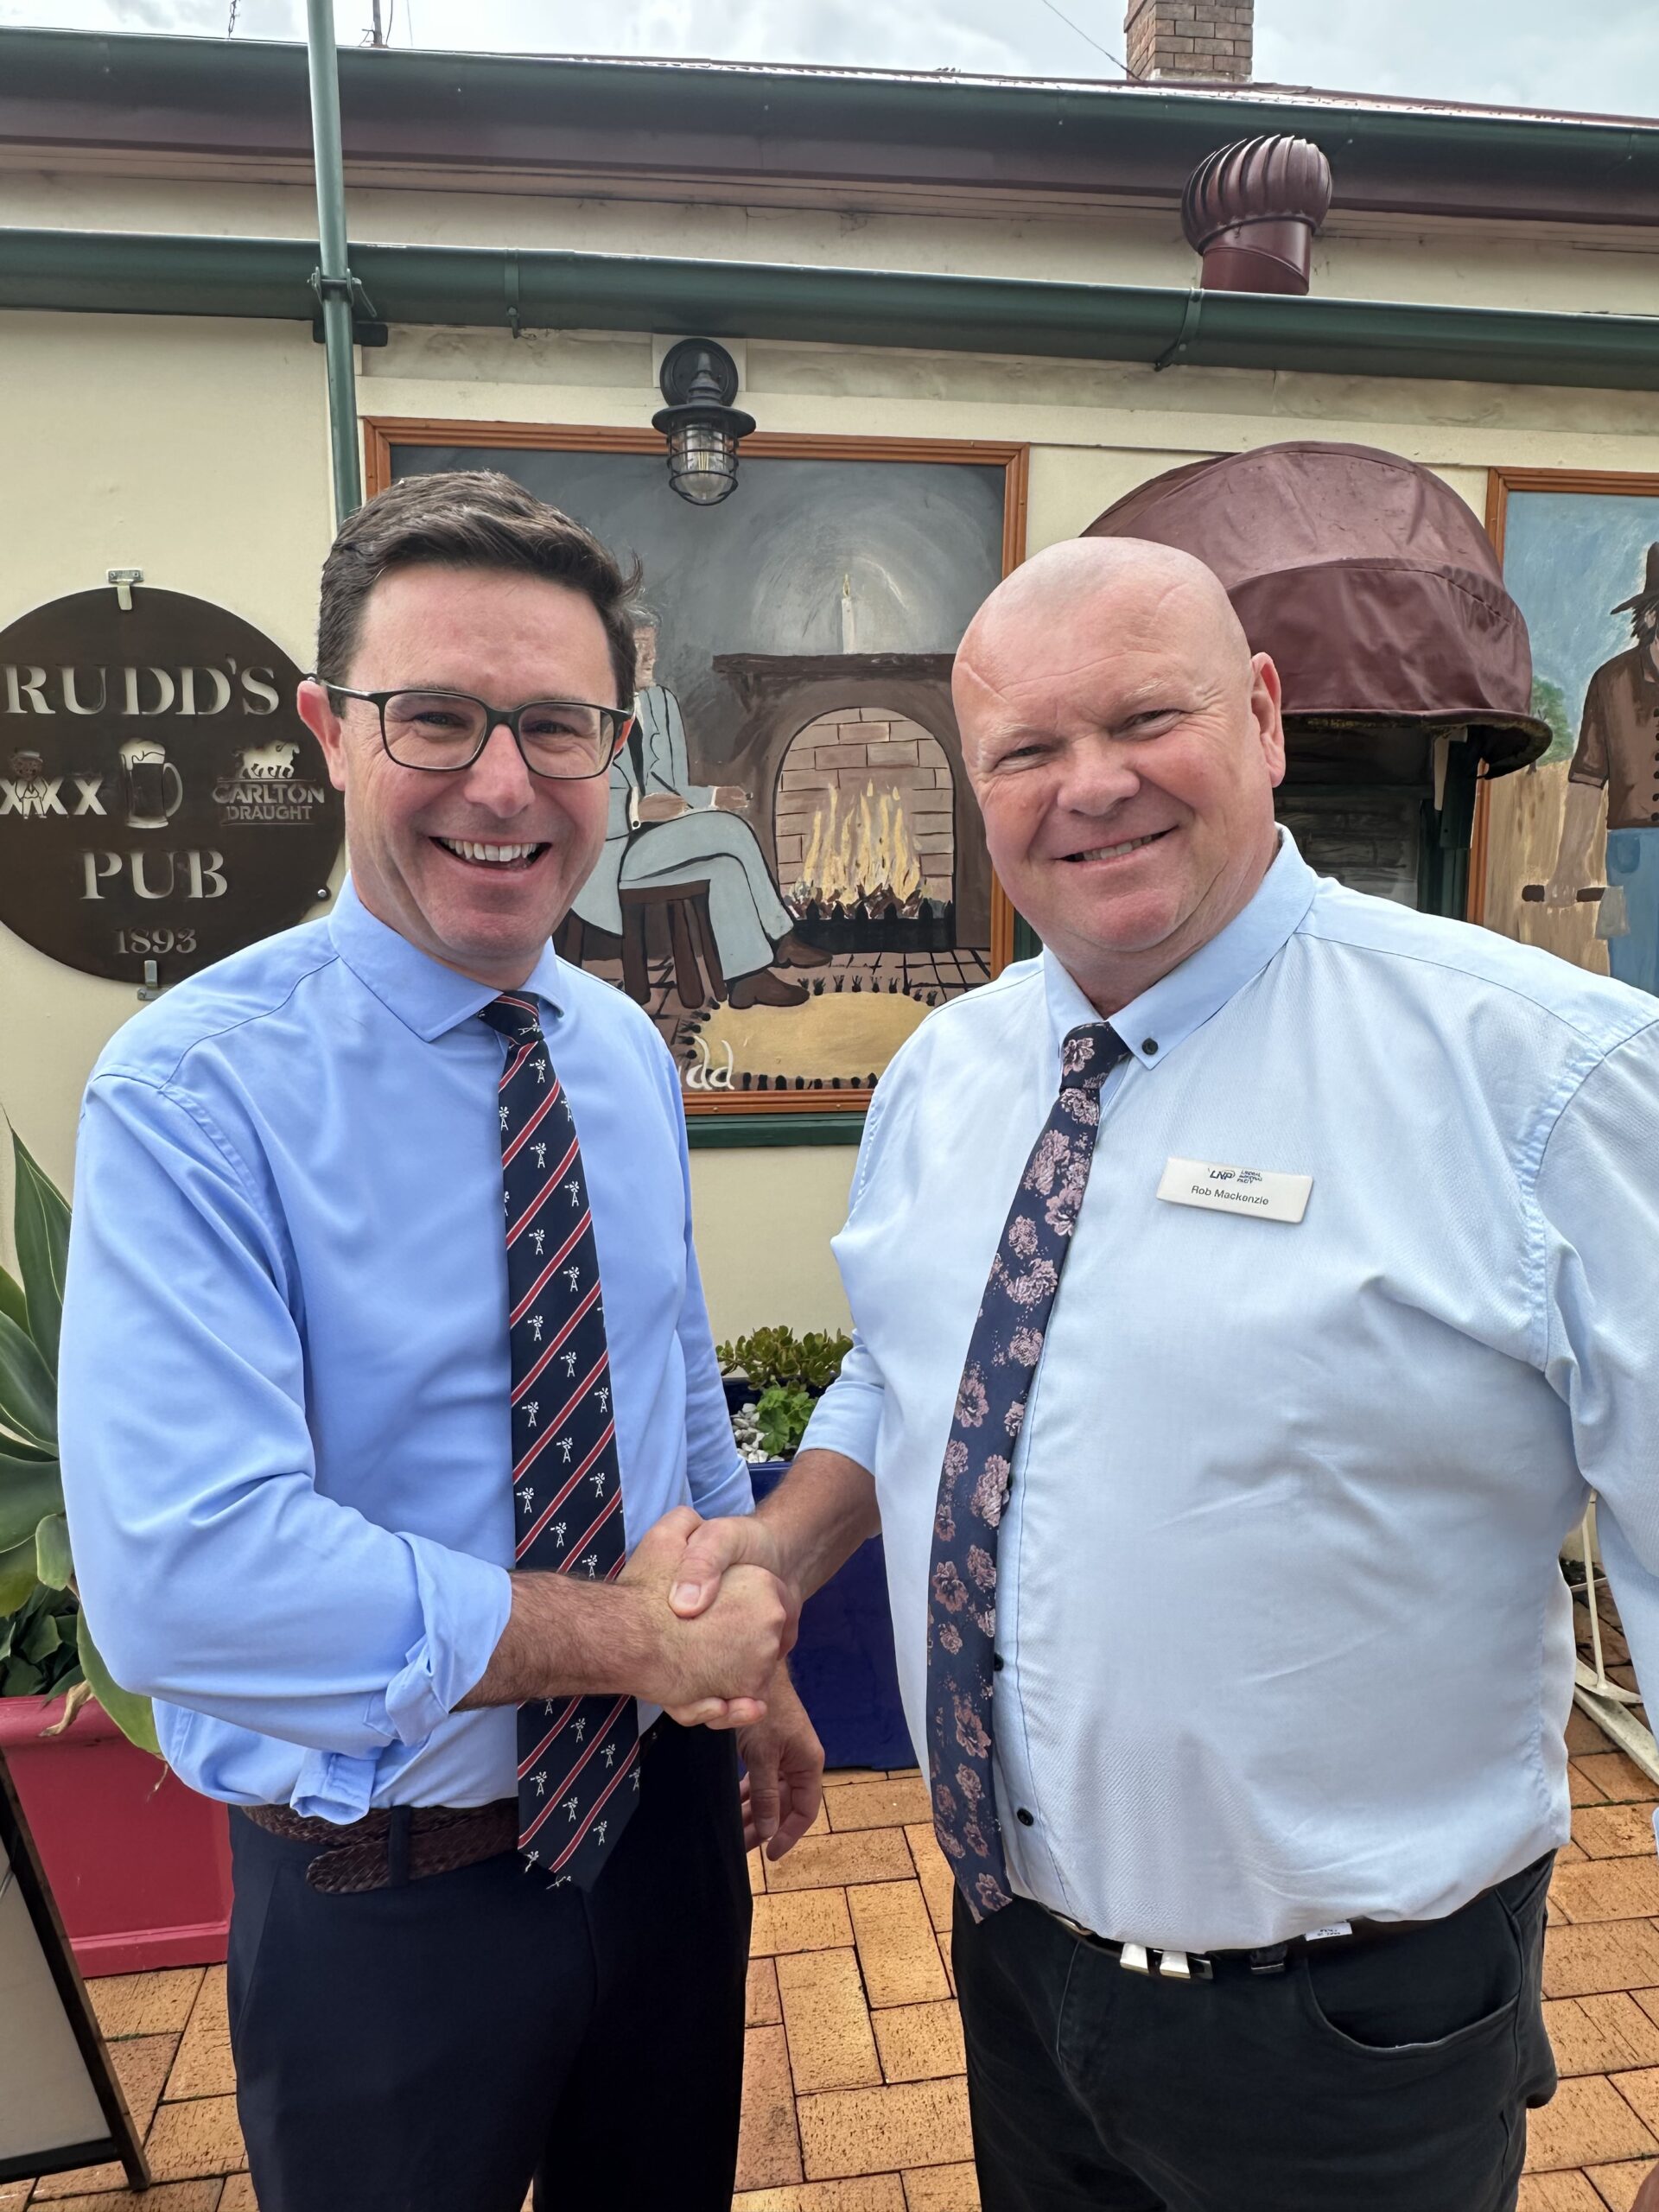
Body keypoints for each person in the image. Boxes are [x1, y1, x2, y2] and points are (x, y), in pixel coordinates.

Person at [667, 537, 1659, 2211]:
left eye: (1147, 716)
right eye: (1028, 750)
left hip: (1352, 2026)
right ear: (979, 790)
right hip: (1016, 1960)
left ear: (1263, 715)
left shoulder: (1545, 1076)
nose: (1093, 785)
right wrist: (780, 1547)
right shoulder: (954, 1068)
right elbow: (910, 1378)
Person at [56, 471, 823, 2212]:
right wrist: (631, 1637)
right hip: (380, 1902)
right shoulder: (194, 1094)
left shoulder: (620, 1049)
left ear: (616, 759)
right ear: (330, 731)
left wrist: (738, 1651)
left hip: (659, 1841)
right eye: (439, 716)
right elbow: (188, 1575)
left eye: (558, 725)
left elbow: (664, 1370)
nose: (502, 780)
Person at [570, 612, 830, 1007]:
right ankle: (782, 936)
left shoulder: (662, 703)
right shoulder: (586, 712)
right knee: (729, 831)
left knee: (724, 867)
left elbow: (675, 789)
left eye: (653, 648)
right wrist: (637, 810)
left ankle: (747, 979)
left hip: (657, 846)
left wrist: (711, 797)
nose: (651, 658)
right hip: (609, 856)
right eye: (640, 649)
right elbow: (575, 802)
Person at [1543, 541, 1659, 995]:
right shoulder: (1610, 681)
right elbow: (1587, 781)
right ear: (1651, 616)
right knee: (1631, 984)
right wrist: (1568, 867)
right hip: (1629, 859)